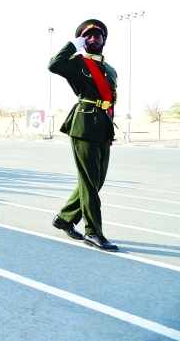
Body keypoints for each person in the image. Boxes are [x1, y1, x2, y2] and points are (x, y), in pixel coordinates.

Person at [49, 19, 119, 252]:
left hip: (103, 125)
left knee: (96, 181)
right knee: (89, 181)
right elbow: (54, 65)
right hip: (84, 124)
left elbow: (110, 101)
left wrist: (109, 128)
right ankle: (93, 232)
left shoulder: (110, 70)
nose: (93, 38)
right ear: (82, 40)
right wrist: (73, 44)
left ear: (104, 40)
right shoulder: (76, 63)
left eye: (97, 35)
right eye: (87, 36)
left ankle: (64, 218)